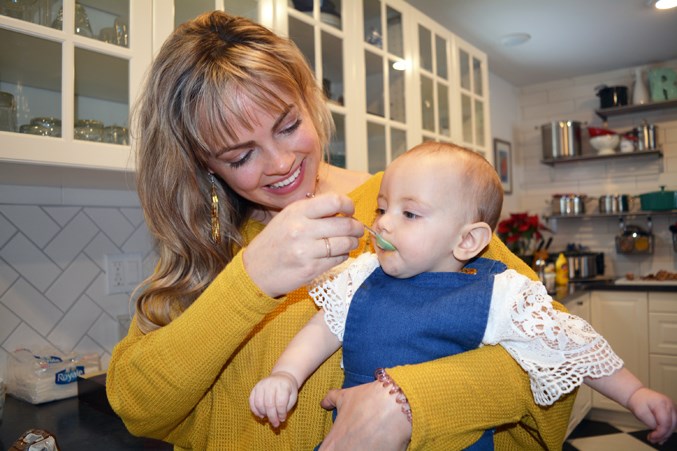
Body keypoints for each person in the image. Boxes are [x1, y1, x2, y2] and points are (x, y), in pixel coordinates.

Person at [106, 10, 577, 450]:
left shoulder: (411, 210)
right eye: (241, 156)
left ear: (309, 102)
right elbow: (137, 406)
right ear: (206, 167)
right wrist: (249, 278)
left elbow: (559, 353)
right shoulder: (206, 247)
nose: (282, 163)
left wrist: (410, 403)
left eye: (288, 126)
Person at [250, 142, 677, 448]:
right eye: (382, 209)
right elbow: (321, 328)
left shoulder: (498, 292)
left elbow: (571, 345)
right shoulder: (360, 275)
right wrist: (286, 375)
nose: (382, 224)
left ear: (468, 241)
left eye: (410, 213)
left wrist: (635, 394)